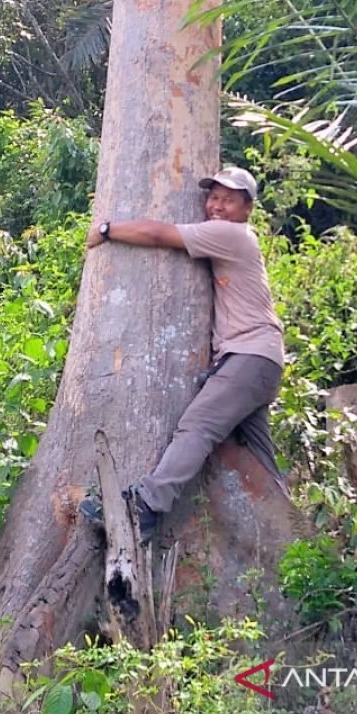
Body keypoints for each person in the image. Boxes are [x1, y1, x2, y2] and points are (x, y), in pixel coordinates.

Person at [81, 166, 287, 541]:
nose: (217, 206)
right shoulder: (233, 238)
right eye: (214, 197)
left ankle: (145, 506)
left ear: (247, 208)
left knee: (198, 426)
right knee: (259, 457)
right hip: (259, 360)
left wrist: (107, 230)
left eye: (229, 200)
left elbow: (159, 234)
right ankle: (297, 542)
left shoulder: (230, 234)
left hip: (249, 356)